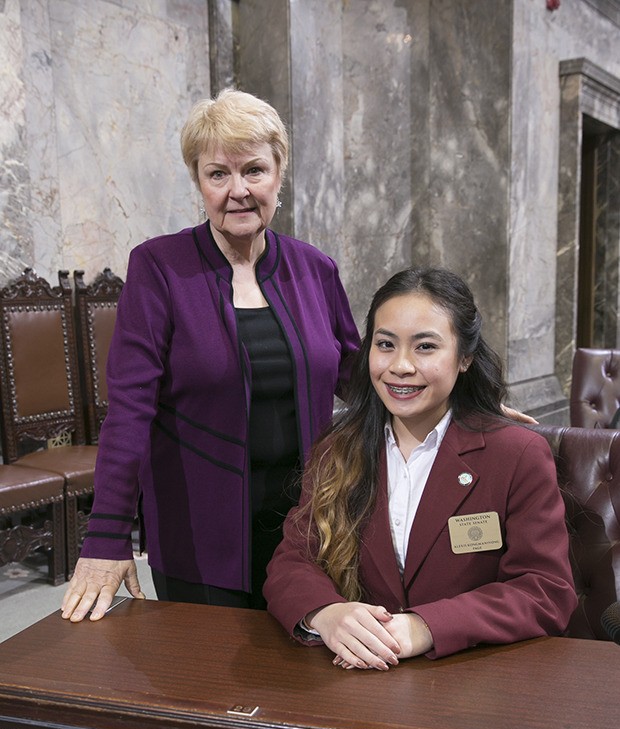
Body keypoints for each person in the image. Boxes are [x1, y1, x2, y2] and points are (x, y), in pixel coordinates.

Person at [61, 88, 360, 622]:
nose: (238, 191)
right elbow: (129, 410)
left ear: (279, 173)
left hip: (307, 525)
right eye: (217, 173)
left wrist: (463, 402)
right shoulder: (159, 268)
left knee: (304, 686)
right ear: (198, 181)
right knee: (208, 690)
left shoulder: (316, 269)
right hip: (199, 531)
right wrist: (106, 537)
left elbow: (363, 375)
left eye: (254, 171)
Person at [264, 268, 577, 668]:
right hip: (360, 681)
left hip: (477, 681)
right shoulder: (338, 448)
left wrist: (426, 626)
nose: (401, 366)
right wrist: (326, 614)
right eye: (385, 345)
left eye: (425, 347)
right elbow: (292, 560)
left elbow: (545, 591)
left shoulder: (516, 454)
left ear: (464, 357)